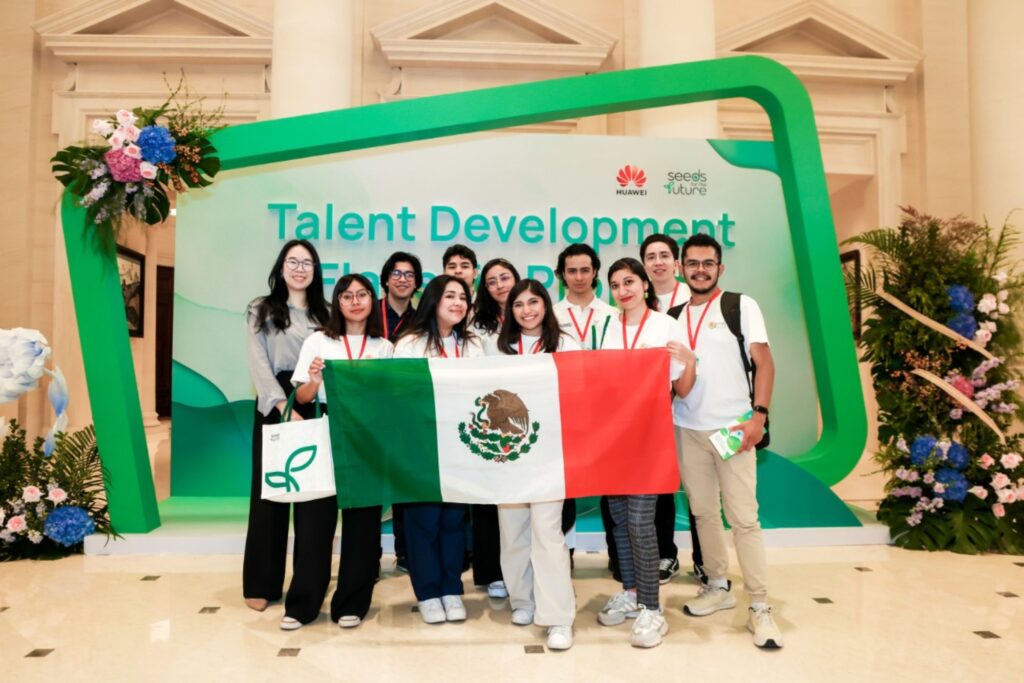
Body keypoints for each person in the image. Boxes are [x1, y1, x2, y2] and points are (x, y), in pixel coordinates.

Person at [672, 233, 783, 649]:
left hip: (732, 429)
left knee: (743, 518)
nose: (700, 270)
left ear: (720, 267)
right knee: (703, 513)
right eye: (692, 263)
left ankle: (760, 605)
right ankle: (717, 585)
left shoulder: (740, 305)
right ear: (681, 268)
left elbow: (765, 363)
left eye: (708, 263)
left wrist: (759, 415)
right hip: (687, 428)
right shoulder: (672, 315)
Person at [596, 257, 696, 648]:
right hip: (613, 438)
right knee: (620, 520)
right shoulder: (609, 327)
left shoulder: (664, 325)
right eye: (616, 285)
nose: (623, 291)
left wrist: (689, 362)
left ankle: (653, 609)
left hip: (650, 436)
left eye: (629, 282)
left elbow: (681, 387)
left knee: (640, 522)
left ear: (644, 284)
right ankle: (632, 592)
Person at [290, 274, 394, 630]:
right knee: (313, 521)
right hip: (325, 429)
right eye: (347, 296)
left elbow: (388, 398)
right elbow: (301, 398)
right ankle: (302, 604)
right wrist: (315, 380)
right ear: (337, 302)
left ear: (371, 301)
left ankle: (352, 602)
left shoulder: (384, 347)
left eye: (362, 295)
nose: (355, 302)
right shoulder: (318, 340)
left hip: (367, 435)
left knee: (363, 523)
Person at [242, 239, 331, 628]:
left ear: (316, 270)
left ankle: (309, 587)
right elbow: (258, 362)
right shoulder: (261, 309)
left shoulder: (327, 313)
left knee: (314, 500)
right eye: (293, 262)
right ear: (281, 268)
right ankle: (262, 582)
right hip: (275, 403)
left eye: (307, 262)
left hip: (317, 402)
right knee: (271, 495)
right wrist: (283, 407)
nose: (299, 268)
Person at [491, 279, 579, 651]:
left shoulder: (567, 344)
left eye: (533, 302)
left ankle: (558, 617)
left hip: (550, 456)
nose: (526, 310)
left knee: (547, 533)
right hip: (508, 455)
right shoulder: (497, 348)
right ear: (510, 311)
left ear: (545, 305)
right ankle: (523, 600)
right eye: (518, 304)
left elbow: (579, 394)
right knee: (513, 532)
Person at [393, 275, 485, 624]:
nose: (458, 303)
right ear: (433, 300)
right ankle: (428, 592)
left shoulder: (472, 344)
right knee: (424, 520)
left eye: (463, 297)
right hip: (421, 443)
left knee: (454, 520)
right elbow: (400, 393)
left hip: (461, 442)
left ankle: (451, 587)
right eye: (450, 296)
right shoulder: (410, 343)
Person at [551, 243, 616, 567]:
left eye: (585, 270)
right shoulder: (549, 315)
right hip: (564, 413)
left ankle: (620, 559)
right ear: (562, 275)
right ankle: (563, 558)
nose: (579, 277)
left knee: (613, 486)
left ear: (595, 273)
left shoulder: (614, 315)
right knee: (563, 488)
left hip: (607, 413)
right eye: (572, 271)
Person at [464, 257, 520, 599]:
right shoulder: (476, 323)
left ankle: (521, 567)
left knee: (520, 497)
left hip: (523, 416)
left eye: (505, 277)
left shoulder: (530, 314)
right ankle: (491, 571)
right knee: (488, 498)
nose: (500, 285)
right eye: (492, 281)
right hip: (489, 417)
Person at [639, 234, 694, 585]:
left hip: (695, 404)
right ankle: (666, 554)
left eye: (664, 255)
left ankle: (705, 562)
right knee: (660, 486)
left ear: (676, 262)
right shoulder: (636, 303)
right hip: (655, 413)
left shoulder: (694, 298)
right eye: (650, 257)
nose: (657, 262)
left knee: (700, 489)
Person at [379, 251, 424, 574]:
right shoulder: (367, 313)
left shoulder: (422, 321)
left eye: (409, 274)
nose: (403, 279)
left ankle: (406, 552)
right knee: (371, 483)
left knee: (406, 485)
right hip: (371, 409)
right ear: (385, 279)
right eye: (396, 273)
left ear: (417, 283)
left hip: (407, 413)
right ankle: (367, 556)